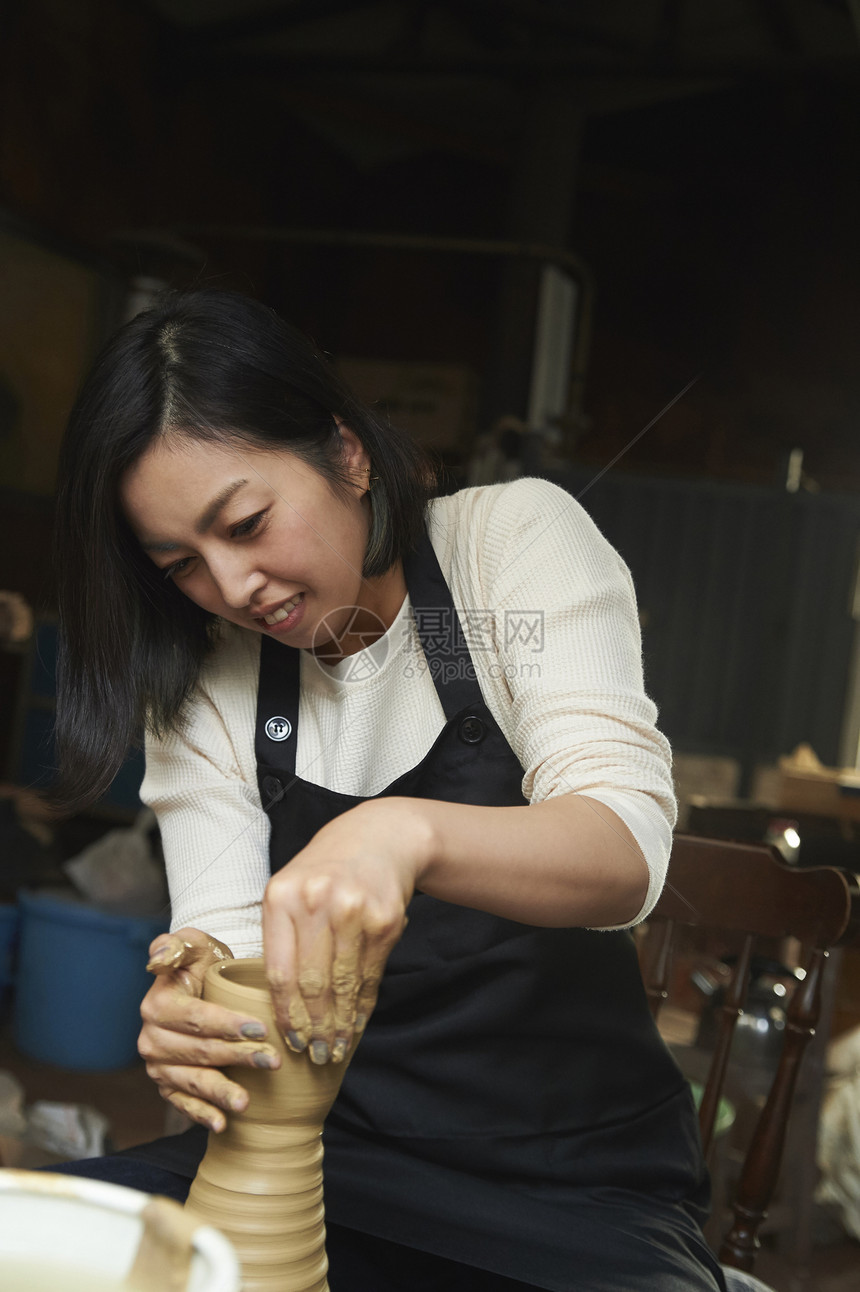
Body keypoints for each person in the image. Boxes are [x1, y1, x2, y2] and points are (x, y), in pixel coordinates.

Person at [50, 288, 726, 1291]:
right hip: (324, 1162)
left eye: (245, 521)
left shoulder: (493, 563)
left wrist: (399, 832)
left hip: (568, 1182)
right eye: (183, 562)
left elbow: (622, 848)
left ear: (346, 453)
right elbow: (231, 962)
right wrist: (193, 1014)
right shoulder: (215, 683)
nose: (233, 585)